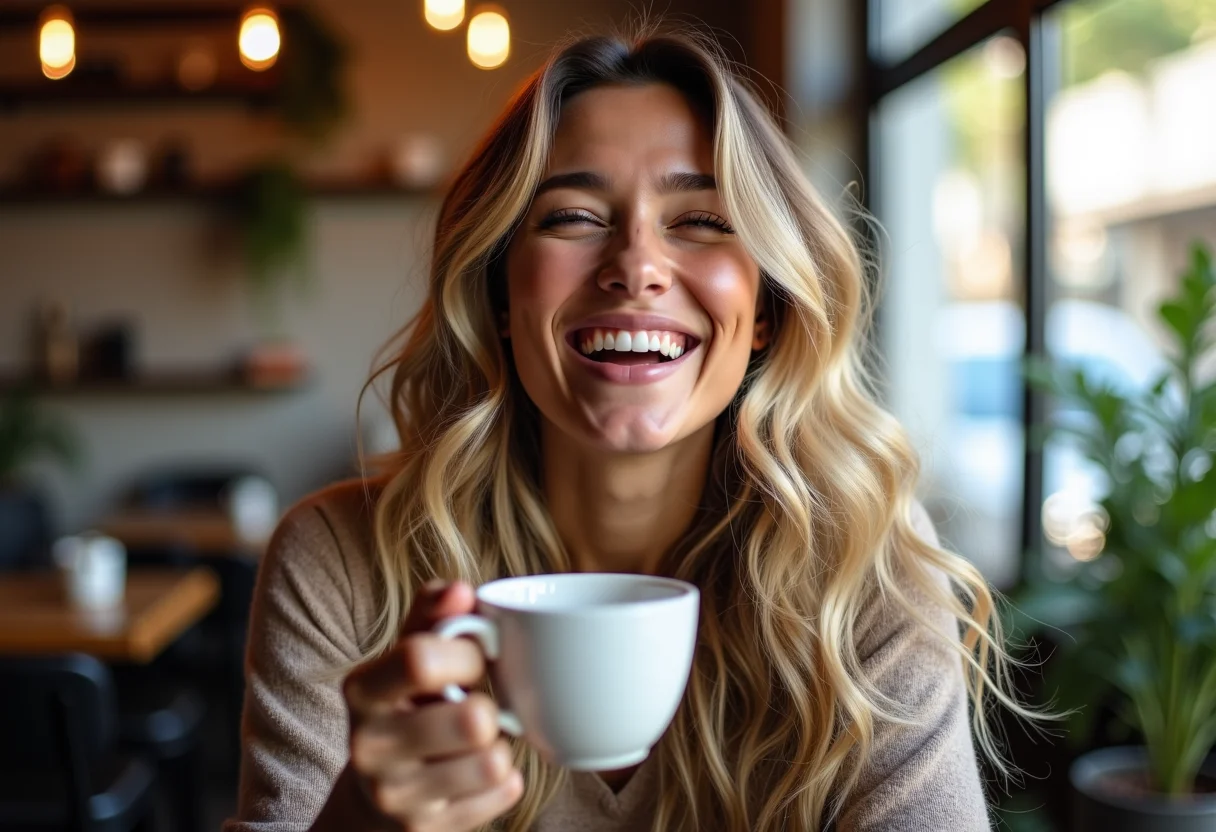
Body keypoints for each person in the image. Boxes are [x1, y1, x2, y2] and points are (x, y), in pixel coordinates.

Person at [225, 26, 1030, 832]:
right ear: (502, 297)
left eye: (703, 220)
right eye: (574, 216)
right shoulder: (339, 564)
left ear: (764, 312)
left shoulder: (863, 567)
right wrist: (360, 818)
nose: (637, 263)